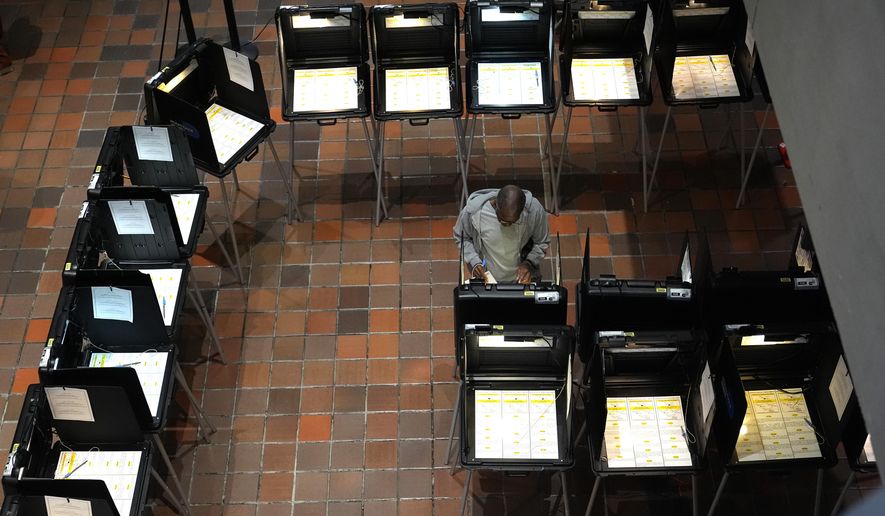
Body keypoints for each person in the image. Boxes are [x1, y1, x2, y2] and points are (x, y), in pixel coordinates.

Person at [454, 185, 549, 284]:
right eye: (503, 221)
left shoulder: (534, 211)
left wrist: (528, 263)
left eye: (513, 222)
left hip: (521, 280)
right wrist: (474, 261)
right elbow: (462, 238)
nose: (508, 226)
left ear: (522, 211)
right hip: (488, 279)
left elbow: (542, 242)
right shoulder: (474, 212)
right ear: (495, 205)